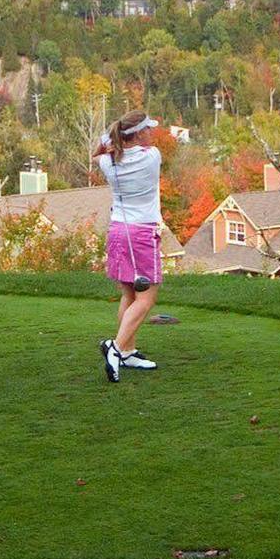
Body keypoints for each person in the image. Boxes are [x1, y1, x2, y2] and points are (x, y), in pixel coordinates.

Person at [93, 109, 165, 382]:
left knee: (129, 294)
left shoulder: (108, 162)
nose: (152, 133)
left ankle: (128, 351)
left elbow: (99, 149)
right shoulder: (152, 157)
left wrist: (113, 136)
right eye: (148, 129)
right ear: (137, 134)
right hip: (142, 233)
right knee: (146, 298)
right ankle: (116, 347)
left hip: (118, 231)